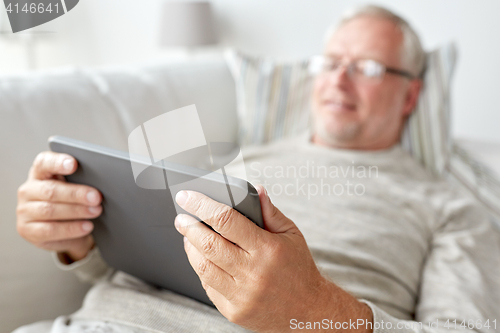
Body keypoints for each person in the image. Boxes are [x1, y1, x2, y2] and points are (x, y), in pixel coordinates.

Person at [14, 5, 500, 333]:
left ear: (411, 95)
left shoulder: (454, 208)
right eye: (329, 62)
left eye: (368, 67)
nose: (339, 79)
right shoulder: (246, 158)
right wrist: (78, 237)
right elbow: (140, 265)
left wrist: (317, 312)